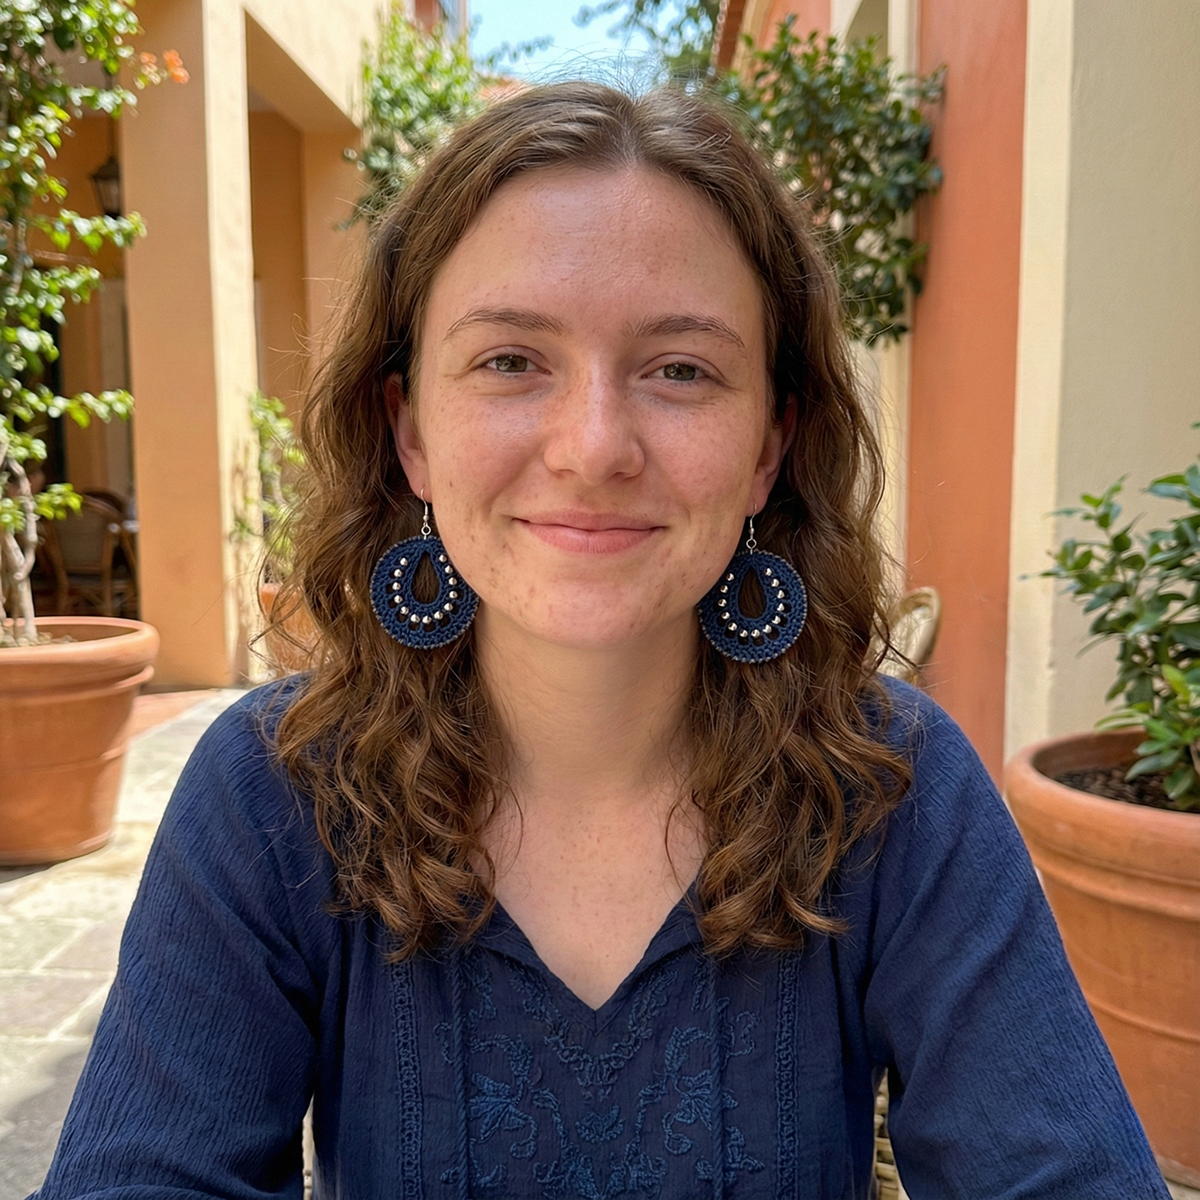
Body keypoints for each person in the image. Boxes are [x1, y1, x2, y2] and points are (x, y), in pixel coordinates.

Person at [34, 82, 1169, 1200]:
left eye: (681, 369)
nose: (593, 448)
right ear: (411, 431)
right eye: (511, 360)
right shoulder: (272, 794)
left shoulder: (893, 791)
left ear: (770, 447)